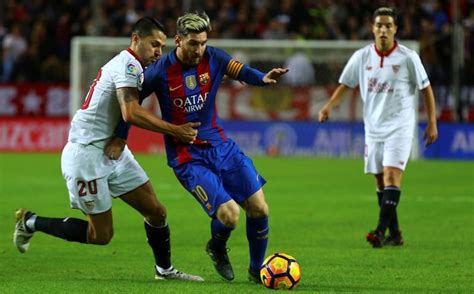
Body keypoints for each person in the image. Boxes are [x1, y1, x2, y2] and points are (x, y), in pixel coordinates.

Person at [13, 17, 203, 281]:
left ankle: (165, 270)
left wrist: (121, 139)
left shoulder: (135, 66)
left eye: (162, 46)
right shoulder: (127, 65)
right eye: (154, 44)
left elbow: (125, 113)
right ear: (136, 40)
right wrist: (175, 130)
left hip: (113, 151)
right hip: (87, 155)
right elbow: (131, 112)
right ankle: (31, 222)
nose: (159, 51)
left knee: (157, 212)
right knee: (100, 236)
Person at [110, 11, 288, 282]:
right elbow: (131, 108)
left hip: (221, 146)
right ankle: (216, 246)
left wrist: (261, 78)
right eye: (193, 43)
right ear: (178, 41)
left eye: (203, 42)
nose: (199, 49)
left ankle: (256, 271)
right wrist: (120, 137)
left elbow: (240, 70)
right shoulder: (159, 72)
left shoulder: (214, 57)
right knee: (230, 215)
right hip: (187, 156)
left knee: (260, 208)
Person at [318, 7, 438, 248]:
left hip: (400, 127)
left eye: (388, 26)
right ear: (372, 29)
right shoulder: (362, 57)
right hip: (373, 128)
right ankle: (395, 233)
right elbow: (345, 84)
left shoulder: (408, 57)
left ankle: (379, 231)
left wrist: (432, 122)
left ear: (395, 30)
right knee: (381, 183)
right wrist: (329, 106)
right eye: (379, 25)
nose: (383, 30)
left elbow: (426, 88)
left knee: (392, 176)